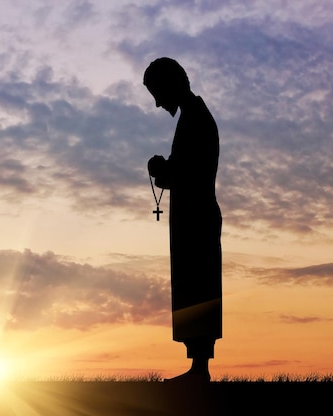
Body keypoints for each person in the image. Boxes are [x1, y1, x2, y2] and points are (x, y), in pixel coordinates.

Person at [144, 57, 222, 383]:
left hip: (197, 219)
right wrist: (166, 170)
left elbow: (187, 172)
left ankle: (200, 368)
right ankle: (197, 365)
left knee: (198, 288)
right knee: (193, 288)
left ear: (172, 84)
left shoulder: (196, 120)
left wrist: (162, 169)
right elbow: (183, 170)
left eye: (158, 93)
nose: (158, 103)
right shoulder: (192, 117)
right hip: (193, 218)